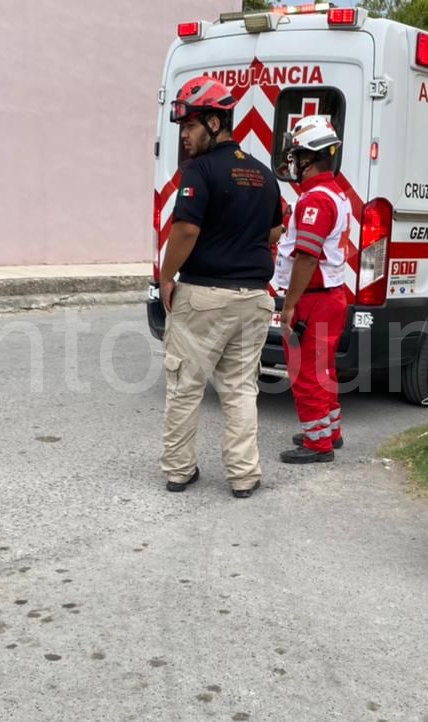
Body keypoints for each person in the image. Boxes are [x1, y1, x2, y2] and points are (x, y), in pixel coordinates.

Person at [158, 75, 283, 499]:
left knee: (184, 385)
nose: (185, 136)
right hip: (254, 299)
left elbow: (186, 231)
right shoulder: (264, 174)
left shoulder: (201, 171)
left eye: (190, 126)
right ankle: (244, 476)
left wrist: (165, 275)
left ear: (214, 122)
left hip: (205, 297)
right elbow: (275, 231)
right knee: (241, 389)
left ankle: (178, 470)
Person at [273, 115, 350, 464]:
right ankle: (328, 432)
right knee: (324, 370)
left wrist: (289, 306)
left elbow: (306, 257)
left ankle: (316, 444)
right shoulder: (336, 194)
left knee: (306, 373)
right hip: (330, 296)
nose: (293, 163)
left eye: (296, 155)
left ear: (310, 157)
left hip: (312, 299)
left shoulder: (315, 200)